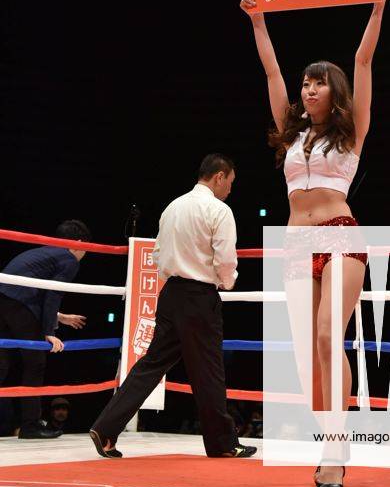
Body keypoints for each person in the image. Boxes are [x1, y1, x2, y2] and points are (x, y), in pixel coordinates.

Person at [240, 0, 390, 487]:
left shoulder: (351, 133)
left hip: (340, 234)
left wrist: (376, 7)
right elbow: (270, 69)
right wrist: (258, 18)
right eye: (306, 82)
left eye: (318, 82)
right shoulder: (291, 133)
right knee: (309, 354)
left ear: (335, 92)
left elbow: (364, 62)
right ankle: (330, 441)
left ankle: (336, 451)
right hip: (295, 246)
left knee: (331, 337)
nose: (308, 88)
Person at [89, 154, 257, 460]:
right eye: (230, 183)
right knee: (208, 369)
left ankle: (106, 428)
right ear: (219, 176)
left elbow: (157, 254)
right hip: (198, 297)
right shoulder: (218, 209)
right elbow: (226, 259)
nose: (230, 190)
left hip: (170, 295)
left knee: (151, 364)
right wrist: (226, 281)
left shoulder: (172, 207)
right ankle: (223, 443)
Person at [0, 219, 90, 439]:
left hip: (5, 300)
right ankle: (30, 425)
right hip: (17, 303)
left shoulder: (46, 253)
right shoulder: (68, 258)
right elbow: (52, 294)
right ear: (79, 243)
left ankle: (29, 423)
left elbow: (33, 292)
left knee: (1, 364)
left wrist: (59, 317)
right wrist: (49, 330)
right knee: (36, 362)